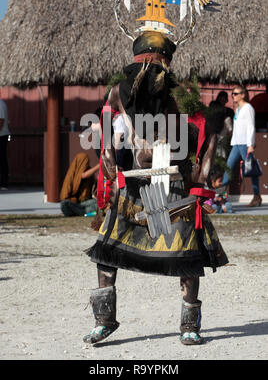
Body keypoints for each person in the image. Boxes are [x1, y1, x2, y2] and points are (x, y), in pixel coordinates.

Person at [83, 31, 228, 347]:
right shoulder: (121, 92)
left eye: (157, 62)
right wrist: (107, 151)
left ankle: (189, 324)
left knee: (186, 253)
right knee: (108, 250)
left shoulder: (174, 96)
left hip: (172, 184)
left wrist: (192, 153)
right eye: (147, 61)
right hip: (134, 185)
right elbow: (106, 117)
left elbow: (191, 139)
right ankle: (104, 320)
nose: (151, 67)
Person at [221, 85, 262, 207]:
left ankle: (256, 196)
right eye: (232, 93)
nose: (233, 95)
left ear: (243, 95)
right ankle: (221, 196)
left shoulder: (248, 108)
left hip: (245, 144)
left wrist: (251, 144)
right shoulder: (238, 109)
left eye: (236, 93)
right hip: (237, 143)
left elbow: (251, 126)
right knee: (228, 167)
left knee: (251, 170)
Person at [60, 152, 99, 216]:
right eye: (84, 164)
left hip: (83, 203)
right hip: (72, 203)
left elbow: (94, 185)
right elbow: (83, 176)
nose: (86, 166)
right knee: (64, 204)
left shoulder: (89, 172)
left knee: (97, 204)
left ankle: (80, 212)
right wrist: (99, 166)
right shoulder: (71, 174)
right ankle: (82, 212)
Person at [0, 98, 10, 190]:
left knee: (2, 159)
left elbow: (1, 121)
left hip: (1, 135)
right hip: (3, 135)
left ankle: (4, 183)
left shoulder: (0, 104)